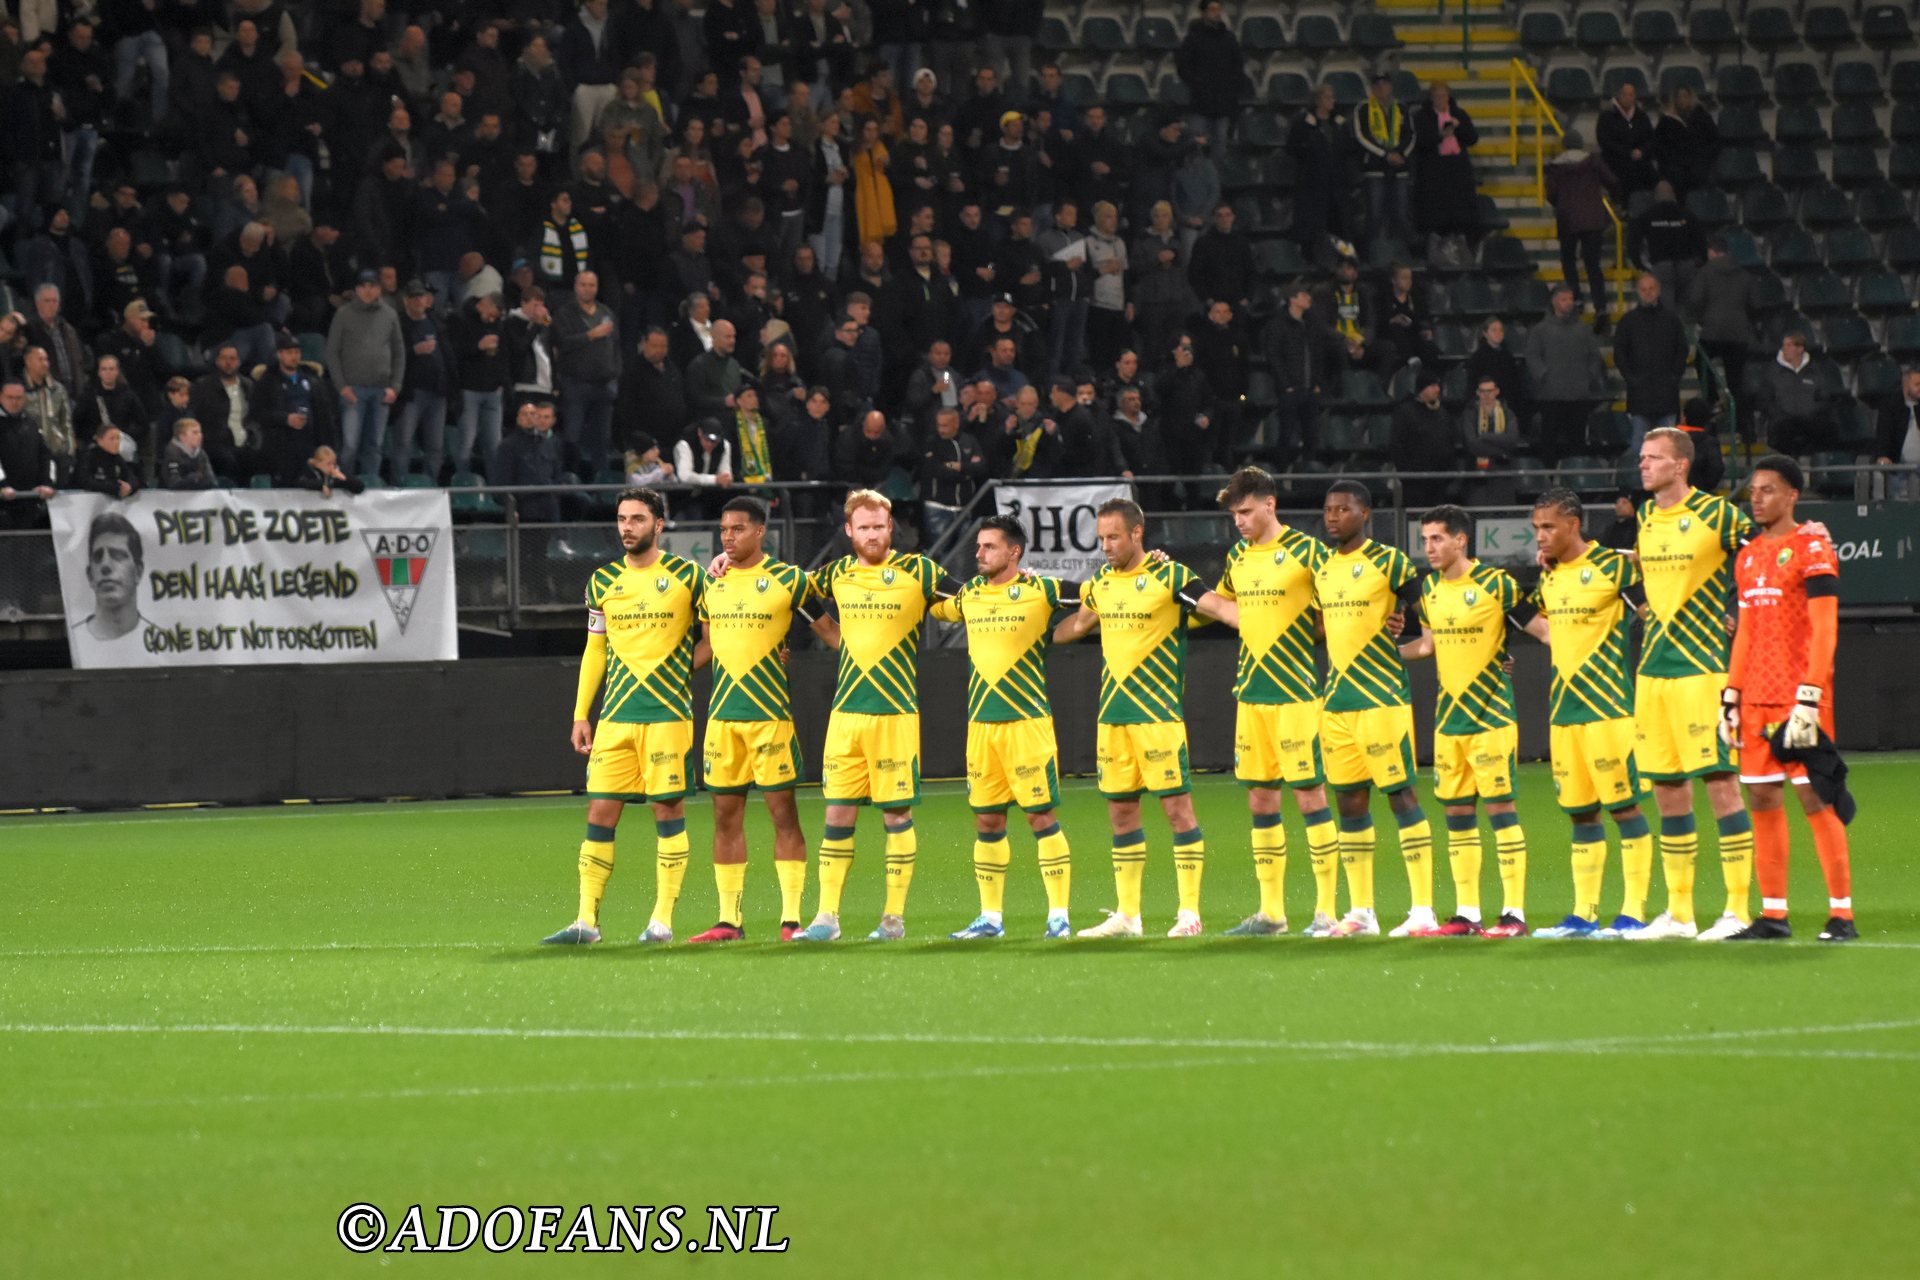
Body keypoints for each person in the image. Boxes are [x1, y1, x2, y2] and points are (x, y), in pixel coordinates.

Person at [1053, 498, 1238, 937]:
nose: (1106, 546)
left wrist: (1269, 619)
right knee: (1121, 814)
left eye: (1113, 536)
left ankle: (1189, 913)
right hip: (1112, 718)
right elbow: (1074, 628)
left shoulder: (1171, 577)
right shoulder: (1100, 583)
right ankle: (1127, 916)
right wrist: (1024, 624)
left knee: (1177, 811)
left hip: (1158, 717)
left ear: (1138, 533)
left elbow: (1221, 609)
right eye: (1101, 538)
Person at [541, 485, 711, 948]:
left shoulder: (689, 576)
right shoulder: (601, 583)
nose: (627, 527)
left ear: (659, 524)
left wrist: (677, 668)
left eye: (637, 519)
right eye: (621, 519)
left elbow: (715, 638)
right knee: (599, 812)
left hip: (668, 715)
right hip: (615, 717)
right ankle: (585, 922)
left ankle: (661, 921)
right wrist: (581, 714)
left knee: (667, 810)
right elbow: (595, 651)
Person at [792, 490, 960, 942]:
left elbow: (969, 599)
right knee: (837, 815)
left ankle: (893, 918)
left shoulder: (918, 571)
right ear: (849, 532)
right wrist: (831, 633)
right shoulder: (837, 573)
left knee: (896, 816)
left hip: (895, 714)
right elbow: (792, 593)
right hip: (846, 715)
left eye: (879, 526)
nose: (872, 534)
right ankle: (826, 918)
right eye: (863, 527)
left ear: (891, 529)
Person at [688, 495, 838, 943]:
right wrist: (660, 670)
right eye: (723, 530)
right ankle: (728, 921)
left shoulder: (789, 580)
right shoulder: (711, 584)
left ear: (759, 532)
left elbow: (830, 632)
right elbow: (707, 646)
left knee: (783, 817)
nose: (728, 537)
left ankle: (791, 919)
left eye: (737, 529)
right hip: (722, 721)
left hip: (770, 718)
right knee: (724, 819)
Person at [1627, 427, 1757, 941]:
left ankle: (1738, 909)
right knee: (1667, 791)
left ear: (1680, 465)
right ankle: (1680, 914)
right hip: (1652, 672)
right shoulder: (1643, 517)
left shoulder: (1719, 515)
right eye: (1641, 457)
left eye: (1653, 458)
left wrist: (1733, 611)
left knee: (1722, 787)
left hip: (1702, 671)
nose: (1643, 465)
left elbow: (1762, 554)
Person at [925, 516, 1080, 938]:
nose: (979, 553)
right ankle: (990, 918)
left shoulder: (1042, 590)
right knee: (987, 822)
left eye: (989, 546)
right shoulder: (969, 594)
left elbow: (1098, 600)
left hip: (1027, 725)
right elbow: (925, 599)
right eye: (978, 546)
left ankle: (1059, 916)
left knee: (1041, 818)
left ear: (1015, 552)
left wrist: (1055, 636)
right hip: (982, 726)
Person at [1723, 456, 1856, 943]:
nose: (1757, 499)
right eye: (1753, 491)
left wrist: (1810, 694)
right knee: (1760, 795)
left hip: (1801, 698)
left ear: (1793, 495)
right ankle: (1773, 914)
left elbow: (1825, 626)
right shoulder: (1748, 555)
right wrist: (1730, 695)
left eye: (1768, 490)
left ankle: (1841, 914)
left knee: (1816, 797)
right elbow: (1745, 633)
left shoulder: (1813, 547)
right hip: (1755, 698)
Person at [1205, 468, 1342, 936]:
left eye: (1245, 512)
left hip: (1297, 694)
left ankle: (1326, 912)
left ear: (1269, 505)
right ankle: (1272, 913)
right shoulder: (1237, 556)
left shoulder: (1308, 552)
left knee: (1310, 797)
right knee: (1261, 801)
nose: (1239, 522)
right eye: (1233, 515)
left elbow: (1336, 612)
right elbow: (1225, 607)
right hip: (1252, 694)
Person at [1395, 506, 1542, 936]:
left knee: (1500, 811)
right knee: (1458, 815)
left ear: (1461, 540)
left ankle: (1514, 913)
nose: (1429, 548)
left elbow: (1544, 629)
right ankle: (1467, 914)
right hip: (1449, 721)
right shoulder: (1430, 592)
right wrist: (1384, 652)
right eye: (1425, 541)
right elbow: (1427, 646)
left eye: (1437, 539)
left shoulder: (1498, 585)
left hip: (1492, 718)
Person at [1525, 488, 1658, 937]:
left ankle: (1634, 912)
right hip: (1564, 713)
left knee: (1624, 809)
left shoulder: (1614, 566)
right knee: (1581, 814)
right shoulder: (1550, 576)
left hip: (1608, 711)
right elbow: (1543, 626)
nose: (1540, 537)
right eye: (1536, 528)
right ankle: (1583, 915)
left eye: (1548, 527)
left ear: (1573, 525)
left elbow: (1651, 594)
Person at [1311, 481, 1434, 937]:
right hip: (1337, 701)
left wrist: (1419, 629)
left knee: (1401, 796)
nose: (1333, 517)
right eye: (1328, 509)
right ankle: (1362, 911)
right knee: (1350, 803)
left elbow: (1429, 606)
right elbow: (1324, 627)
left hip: (1382, 699)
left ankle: (1422, 908)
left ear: (1365, 514)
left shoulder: (1390, 562)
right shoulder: (1322, 568)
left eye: (1343, 509)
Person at [326, 270, 407, 479]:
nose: (368, 291)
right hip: (353, 389)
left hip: (381, 390)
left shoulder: (390, 314)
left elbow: (399, 352)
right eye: (364, 286)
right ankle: (345, 485)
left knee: (375, 445)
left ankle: (371, 487)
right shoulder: (344, 314)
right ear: (356, 290)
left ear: (379, 289)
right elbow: (332, 352)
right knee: (350, 445)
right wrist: (341, 386)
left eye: (372, 286)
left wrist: (395, 386)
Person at [1526, 284, 1609, 462]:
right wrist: (1544, 376)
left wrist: (1588, 377)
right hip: (1551, 397)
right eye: (1564, 299)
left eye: (1570, 299)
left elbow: (1594, 357)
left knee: (1577, 443)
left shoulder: (1583, 329)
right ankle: (1548, 481)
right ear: (1554, 301)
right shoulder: (1540, 330)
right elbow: (1532, 356)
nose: (1568, 303)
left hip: (1578, 396)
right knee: (1549, 443)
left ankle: (1575, 479)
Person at [1612, 273, 1690, 455]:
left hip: (1666, 394)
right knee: (1640, 444)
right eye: (1643, 289)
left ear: (1659, 290)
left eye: (1651, 288)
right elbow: (1620, 354)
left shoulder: (1671, 320)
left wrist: (1674, 377)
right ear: (1638, 292)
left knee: (1669, 447)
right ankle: (1640, 483)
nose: (1648, 293)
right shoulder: (1628, 321)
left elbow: (1682, 350)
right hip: (1639, 396)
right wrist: (1632, 379)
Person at [1545, 129, 1616, 326]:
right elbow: (1611, 181)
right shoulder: (1593, 162)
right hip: (1593, 219)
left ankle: (1576, 299)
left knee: (1568, 261)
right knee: (1593, 265)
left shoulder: (1555, 166)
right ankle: (1600, 307)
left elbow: (1551, 194)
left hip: (1567, 219)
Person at [1688, 234, 1755, 442]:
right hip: (1739, 335)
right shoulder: (1745, 274)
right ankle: (1745, 428)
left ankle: (1712, 404)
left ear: (1712, 252)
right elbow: (1754, 304)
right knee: (1736, 382)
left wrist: (1702, 319)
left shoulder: (1705, 272)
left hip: (1713, 332)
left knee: (1702, 363)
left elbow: (1695, 300)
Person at [71, 509, 153, 661]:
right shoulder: (73, 640)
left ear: (138, 572)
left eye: (117, 556)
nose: (105, 566)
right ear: (90, 576)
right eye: (98, 557)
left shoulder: (160, 640)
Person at [1411, 81, 1479, 243]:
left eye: (1443, 96)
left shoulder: (1459, 114)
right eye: (1437, 97)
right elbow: (1419, 142)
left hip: (1458, 172)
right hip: (1434, 174)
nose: (1441, 100)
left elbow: (1472, 138)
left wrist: (1458, 127)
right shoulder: (1422, 117)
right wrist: (1439, 136)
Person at [1354, 74, 1412, 245]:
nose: (1381, 88)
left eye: (1385, 84)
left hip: (1399, 168)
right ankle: (1373, 251)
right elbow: (1362, 136)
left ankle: (1400, 251)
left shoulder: (1401, 107)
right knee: (1375, 213)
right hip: (1375, 168)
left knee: (1400, 214)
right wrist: (1385, 154)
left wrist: (1400, 154)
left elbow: (1410, 134)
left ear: (1390, 87)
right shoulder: (1363, 108)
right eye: (1377, 85)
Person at [1288, 84, 1348, 249]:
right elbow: (1292, 148)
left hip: (1335, 185)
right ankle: (1313, 258)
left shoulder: (1339, 122)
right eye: (1328, 97)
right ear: (1318, 100)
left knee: (1339, 226)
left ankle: (1342, 259)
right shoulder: (1302, 122)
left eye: (1332, 97)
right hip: (1312, 185)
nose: (1332, 101)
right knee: (1314, 227)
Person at [917, 405, 986, 546]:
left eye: (945, 425)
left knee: (962, 557)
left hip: (964, 508)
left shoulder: (969, 440)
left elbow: (982, 467)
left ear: (956, 424)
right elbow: (939, 472)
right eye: (939, 425)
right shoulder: (931, 443)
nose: (941, 429)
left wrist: (960, 467)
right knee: (940, 554)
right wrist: (967, 473)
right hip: (939, 507)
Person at [1758, 332, 1835, 456]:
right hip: (1782, 424)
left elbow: (1824, 398)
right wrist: (1779, 415)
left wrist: (1810, 412)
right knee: (1784, 428)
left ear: (1800, 348)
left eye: (1789, 345)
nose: (1784, 349)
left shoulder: (1815, 372)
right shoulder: (1772, 372)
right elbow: (1765, 400)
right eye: (1784, 345)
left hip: (1810, 422)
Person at [1629, 180, 1705, 306]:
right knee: (1687, 304)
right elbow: (1700, 239)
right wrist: (1700, 260)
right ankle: (1685, 324)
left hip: (1661, 265)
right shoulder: (1687, 214)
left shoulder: (1647, 216)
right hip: (1686, 264)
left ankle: (1671, 324)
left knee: (1666, 305)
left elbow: (1633, 241)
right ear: (1674, 195)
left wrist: (1638, 263)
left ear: (1656, 196)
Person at [1388, 370, 1457, 507]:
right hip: (1415, 483)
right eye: (1432, 386)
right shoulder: (1405, 412)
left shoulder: (1442, 412)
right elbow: (1396, 445)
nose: (1437, 389)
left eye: (1437, 385)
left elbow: (1450, 440)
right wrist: (1407, 474)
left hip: (1440, 481)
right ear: (1421, 389)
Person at [0, 380, 58, 528]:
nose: (15, 402)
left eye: (19, 397)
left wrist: (46, 483)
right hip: (4, 504)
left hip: (30, 501)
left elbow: (46, 456)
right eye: (10, 397)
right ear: (1, 398)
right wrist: (2, 485)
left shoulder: (31, 424)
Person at [1596, 81, 1658, 202]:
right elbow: (1604, 141)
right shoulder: (1607, 116)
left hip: (1640, 162)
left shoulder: (1641, 116)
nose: (1628, 98)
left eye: (1631, 95)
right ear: (1619, 96)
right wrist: (1627, 152)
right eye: (1625, 94)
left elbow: (1651, 138)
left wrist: (1642, 151)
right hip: (1616, 162)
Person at [1655, 85, 1719, 200]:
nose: (1682, 100)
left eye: (1685, 96)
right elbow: (1659, 147)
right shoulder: (1666, 121)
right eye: (1679, 97)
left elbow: (1714, 141)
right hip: (1675, 169)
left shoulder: (1702, 116)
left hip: (1699, 166)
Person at [1874, 365, 1920, 500]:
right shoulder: (1891, 405)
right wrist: (1883, 455)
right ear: (1906, 383)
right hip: (1899, 469)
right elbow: (1884, 433)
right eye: (1917, 384)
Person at [70, 421, 139, 498]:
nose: (117, 442)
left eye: (118, 438)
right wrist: (115, 487)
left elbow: (131, 476)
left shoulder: (117, 457)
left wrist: (130, 486)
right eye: (112, 439)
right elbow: (85, 481)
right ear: (100, 441)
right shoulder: (88, 456)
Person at [159, 417, 216, 490]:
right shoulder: (172, 455)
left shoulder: (201, 454)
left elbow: (211, 480)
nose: (200, 435)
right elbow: (174, 483)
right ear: (182, 437)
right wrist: (195, 478)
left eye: (200, 432)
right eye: (195, 432)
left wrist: (196, 480)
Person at [298, 444, 366, 497]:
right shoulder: (309, 471)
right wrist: (323, 485)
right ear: (318, 463)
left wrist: (345, 478)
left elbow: (359, 487)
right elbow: (301, 483)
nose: (332, 467)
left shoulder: (337, 471)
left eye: (333, 463)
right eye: (328, 464)